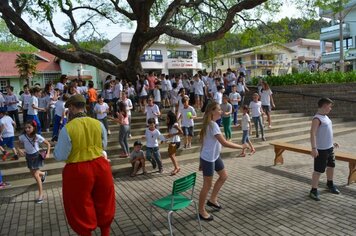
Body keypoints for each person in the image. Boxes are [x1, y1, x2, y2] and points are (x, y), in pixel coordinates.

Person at [53, 94, 115, 236]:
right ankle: (105, 232)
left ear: (73, 108)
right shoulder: (97, 124)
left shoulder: (68, 128)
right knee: (104, 201)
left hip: (78, 169)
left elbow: (60, 155)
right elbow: (103, 145)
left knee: (80, 205)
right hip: (100, 165)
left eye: (69, 108)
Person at [198, 101, 246, 221]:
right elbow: (224, 142)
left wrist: (200, 161)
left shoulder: (210, 124)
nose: (221, 111)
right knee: (207, 186)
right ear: (212, 111)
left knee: (223, 176)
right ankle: (201, 210)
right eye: (219, 109)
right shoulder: (212, 125)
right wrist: (242, 146)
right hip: (208, 159)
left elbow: (203, 144)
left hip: (214, 156)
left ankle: (212, 199)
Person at [309, 98, 340, 201]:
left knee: (331, 166)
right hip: (321, 150)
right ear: (324, 105)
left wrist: (332, 143)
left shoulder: (326, 117)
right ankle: (313, 191)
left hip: (329, 148)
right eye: (329, 106)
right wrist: (314, 148)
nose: (330, 108)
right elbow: (312, 134)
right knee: (318, 171)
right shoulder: (317, 119)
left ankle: (330, 184)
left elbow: (326, 132)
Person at [17, 120, 50, 203]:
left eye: (29, 127)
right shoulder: (23, 136)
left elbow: (48, 144)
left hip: (36, 156)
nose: (27, 129)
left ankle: (41, 195)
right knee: (33, 173)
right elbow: (17, 144)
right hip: (28, 156)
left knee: (35, 175)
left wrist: (48, 153)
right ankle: (43, 174)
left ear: (34, 128)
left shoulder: (37, 136)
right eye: (26, 128)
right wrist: (19, 149)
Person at [166, 111, 183, 176]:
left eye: (168, 118)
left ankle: (176, 167)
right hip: (173, 141)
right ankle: (177, 167)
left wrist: (172, 135)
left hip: (176, 142)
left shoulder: (175, 124)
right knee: (171, 155)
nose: (167, 119)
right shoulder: (171, 125)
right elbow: (171, 134)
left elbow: (181, 132)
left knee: (171, 155)